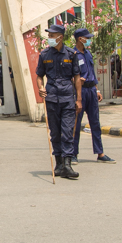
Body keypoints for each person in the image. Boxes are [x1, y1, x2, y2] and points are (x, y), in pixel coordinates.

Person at [35, 24, 82, 179]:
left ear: (60, 37)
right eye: (49, 36)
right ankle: (59, 164)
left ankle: (68, 164)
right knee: (55, 133)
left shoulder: (71, 54)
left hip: (68, 98)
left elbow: (76, 78)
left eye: (52, 36)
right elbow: (39, 76)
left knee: (68, 132)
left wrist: (79, 99)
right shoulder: (44, 55)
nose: (49, 38)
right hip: (52, 98)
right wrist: (40, 87)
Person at [70, 28, 115, 164]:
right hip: (80, 91)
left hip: (91, 91)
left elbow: (92, 73)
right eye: (86, 38)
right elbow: (69, 74)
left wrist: (97, 90)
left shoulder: (88, 53)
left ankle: (100, 153)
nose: (89, 40)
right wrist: (75, 81)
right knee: (76, 124)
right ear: (80, 39)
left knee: (95, 123)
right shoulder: (73, 54)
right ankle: (73, 153)